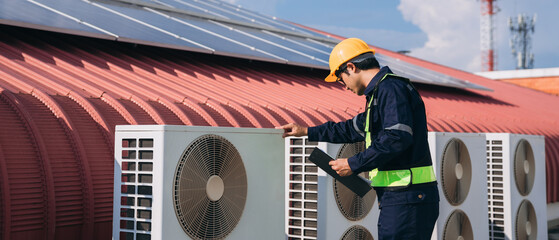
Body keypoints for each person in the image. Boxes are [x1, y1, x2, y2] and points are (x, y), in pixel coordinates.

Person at [277, 38, 439, 240]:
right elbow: (348, 129)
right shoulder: (379, 95)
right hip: (401, 198)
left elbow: (397, 137)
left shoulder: (390, 89)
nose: (343, 86)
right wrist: (306, 131)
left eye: (340, 78)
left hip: (407, 198)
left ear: (351, 67)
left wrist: (354, 164)